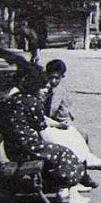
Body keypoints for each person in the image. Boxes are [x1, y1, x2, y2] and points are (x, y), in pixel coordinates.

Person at [0, 54, 90, 202]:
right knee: (65, 153)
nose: (45, 89)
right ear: (35, 86)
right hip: (29, 148)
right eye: (43, 87)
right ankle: (66, 193)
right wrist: (58, 143)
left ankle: (68, 188)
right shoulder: (32, 103)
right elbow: (44, 132)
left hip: (12, 149)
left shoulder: (10, 101)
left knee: (61, 150)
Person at [42, 59, 101, 188]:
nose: (53, 81)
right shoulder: (45, 88)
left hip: (58, 122)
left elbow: (62, 111)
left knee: (83, 136)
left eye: (57, 78)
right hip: (51, 124)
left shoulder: (59, 90)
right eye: (51, 77)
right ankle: (82, 174)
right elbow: (49, 112)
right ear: (46, 74)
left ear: (62, 77)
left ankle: (81, 172)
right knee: (79, 137)